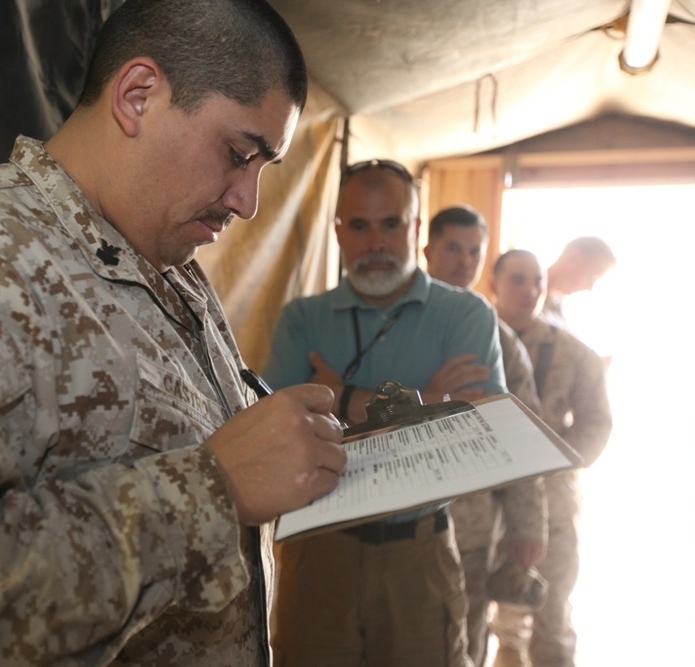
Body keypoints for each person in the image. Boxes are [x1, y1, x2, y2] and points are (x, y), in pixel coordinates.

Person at [0, 2, 349, 665]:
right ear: (137, 96)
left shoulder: (171, 268)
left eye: (264, 168)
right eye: (237, 153)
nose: (247, 201)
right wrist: (211, 487)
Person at [263, 161, 507, 666]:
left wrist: (342, 394)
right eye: (359, 225)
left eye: (390, 223)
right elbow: (277, 435)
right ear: (338, 234)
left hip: (420, 557)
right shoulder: (301, 320)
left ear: (415, 230)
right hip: (317, 558)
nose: (375, 241)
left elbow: (479, 433)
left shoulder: (467, 315)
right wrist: (428, 402)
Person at [424, 205, 548, 667]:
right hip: (390, 524)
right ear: (427, 250)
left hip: (471, 528)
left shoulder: (500, 342)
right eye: (452, 248)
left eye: (474, 251)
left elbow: (526, 436)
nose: (462, 261)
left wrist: (528, 524)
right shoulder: (391, 326)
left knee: (465, 643)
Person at [487, 250, 613, 667]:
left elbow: (597, 423)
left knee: (552, 614)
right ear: (495, 284)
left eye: (537, 281)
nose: (530, 290)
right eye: (518, 280)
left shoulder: (573, 351)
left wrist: (556, 459)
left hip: (553, 506)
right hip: (482, 502)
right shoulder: (471, 339)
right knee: (487, 622)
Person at [542, 236, 616, 329]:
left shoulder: (560, 311)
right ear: (574, 258)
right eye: (592, 276)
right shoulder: (526, 295)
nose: (590, 287)